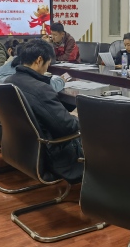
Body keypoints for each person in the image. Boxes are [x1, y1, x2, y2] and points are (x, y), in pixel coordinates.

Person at [5, 39, 83, 183]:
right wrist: (78, 117)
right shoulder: (41, 90)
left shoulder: (9, 81)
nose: (47, 69)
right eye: (48, 64)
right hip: (55, 158)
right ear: (39, 60)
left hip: (21, 150)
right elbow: (67, 127)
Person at [0, 42, 65, 92]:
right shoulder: (22, 81)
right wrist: (61, 81)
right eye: (48, 64)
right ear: (39, 60)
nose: (46, 68)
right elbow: (48, 87)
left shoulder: (4, 68)